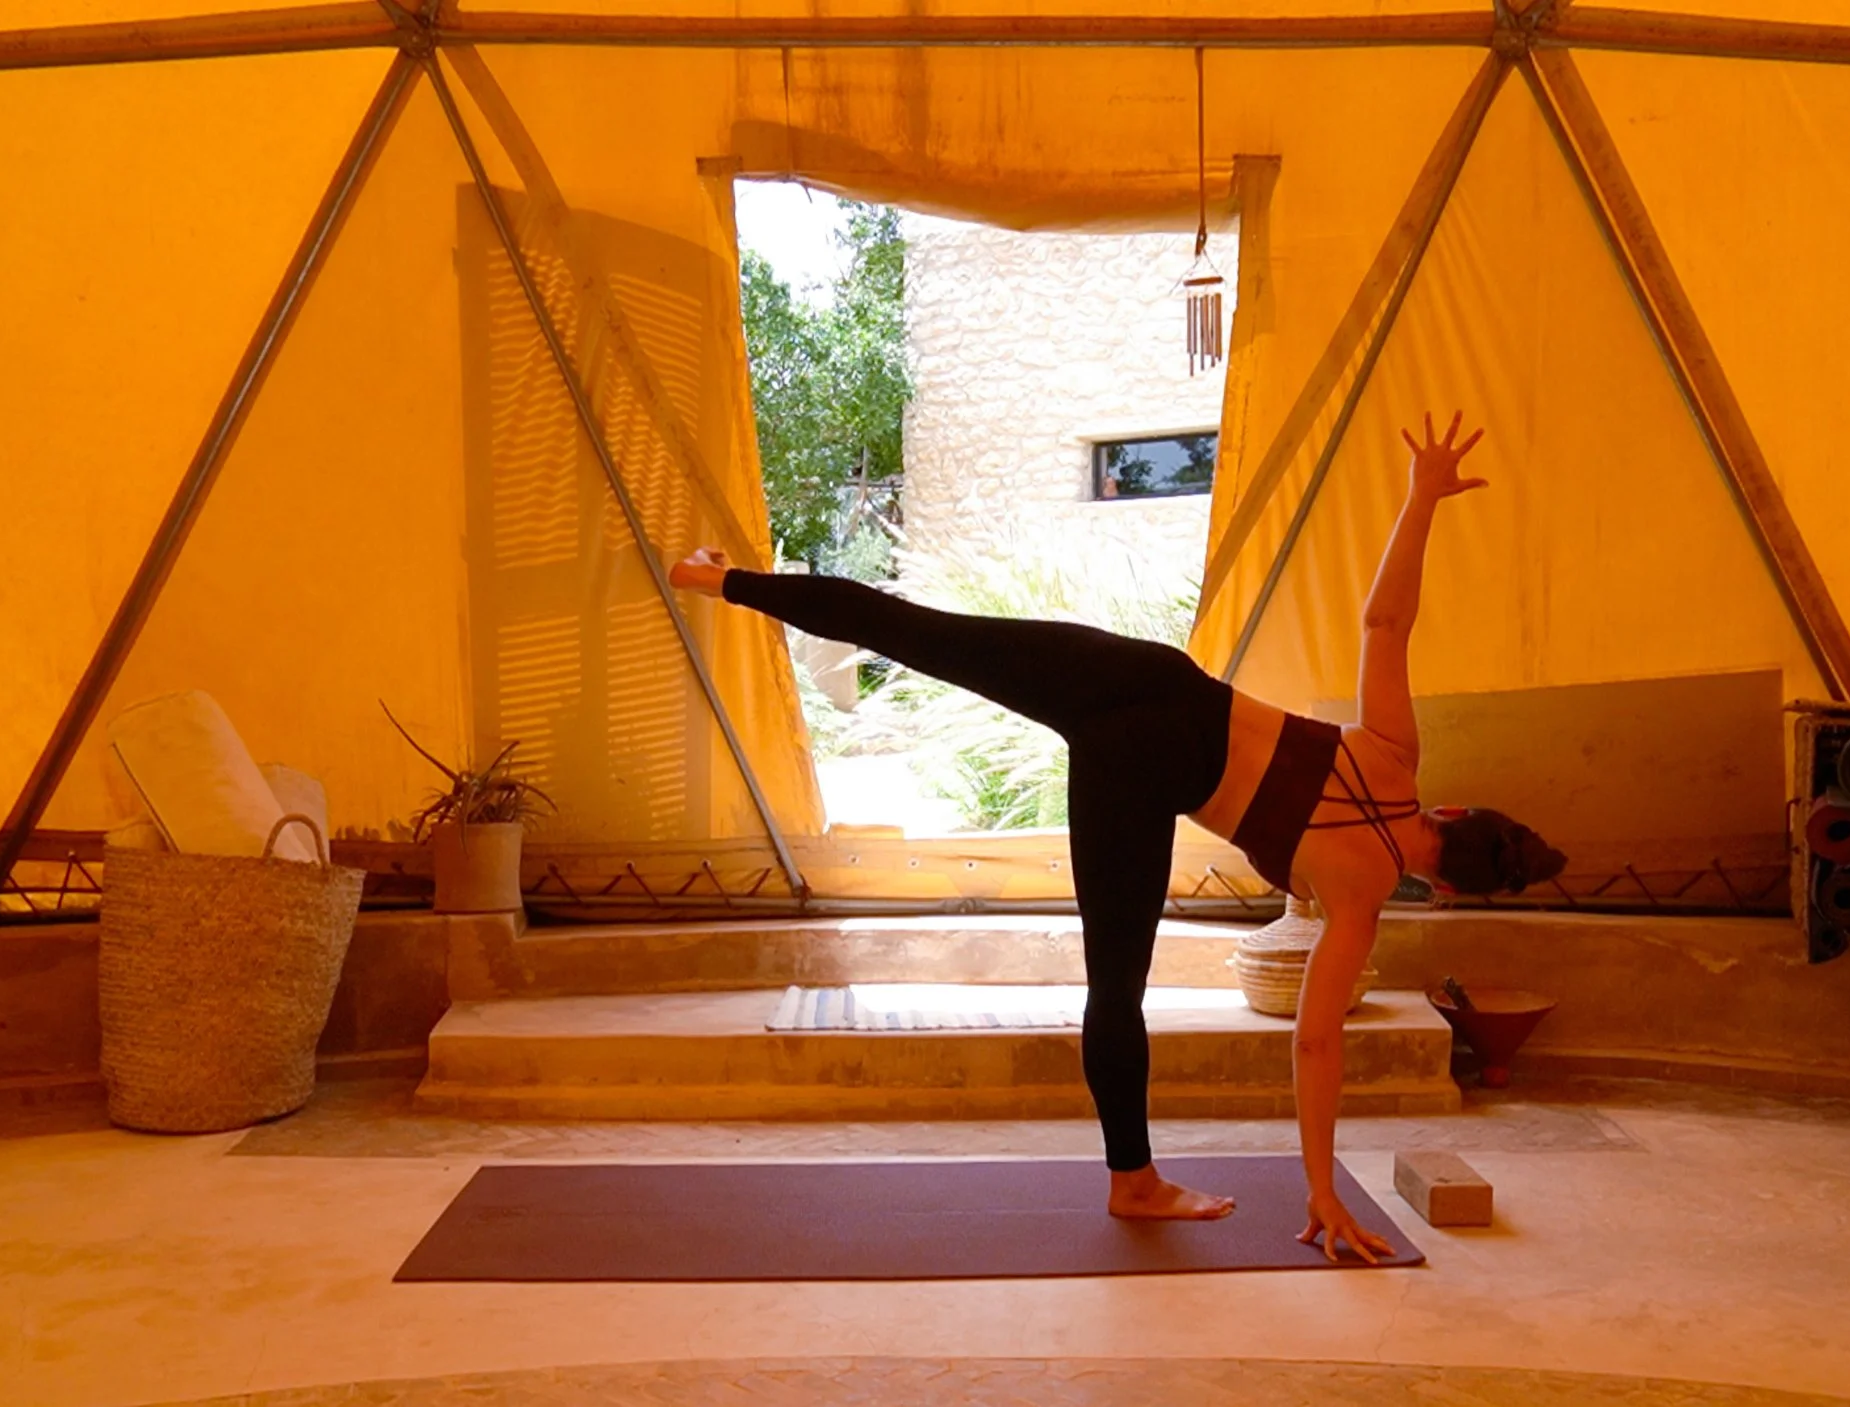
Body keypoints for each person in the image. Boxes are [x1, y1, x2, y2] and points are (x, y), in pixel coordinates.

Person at [668, 412, 1565, 1262]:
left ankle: (715, 578)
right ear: (1445, 888)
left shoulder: (1397, 757)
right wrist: (1322, 1191)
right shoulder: (1359, 900)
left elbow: (1386, 622)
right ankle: (1132, 1180)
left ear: (1450, 811)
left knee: (917, 632)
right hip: (1139, 777)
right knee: (1115, 992)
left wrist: (1421, 496)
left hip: (1143, 682)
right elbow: (1314, 1045)